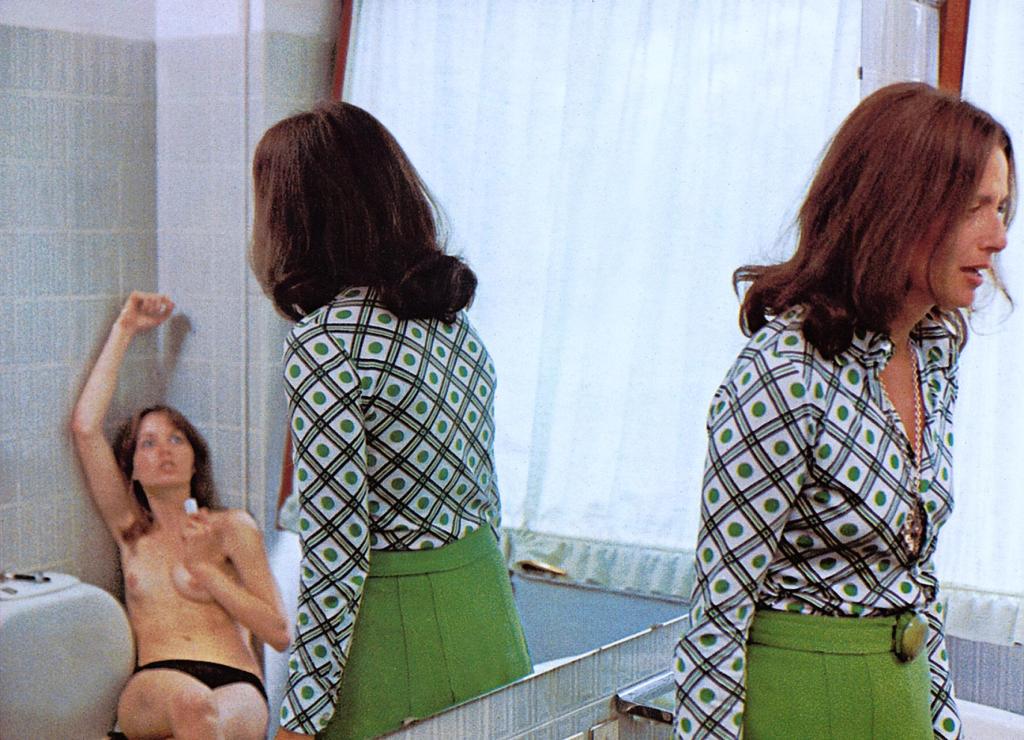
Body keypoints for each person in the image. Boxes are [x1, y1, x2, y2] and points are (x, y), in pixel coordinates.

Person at [673, 82, 1015, 739]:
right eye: (976, 207)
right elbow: (718, 614)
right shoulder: (785, 371)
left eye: (1001, 208)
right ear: (899, 205)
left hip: (900, 703)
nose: (999, 237)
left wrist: (940, 725)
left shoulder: (934, 352)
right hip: (801, 707)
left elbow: (915, 579)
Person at [250, 101, 532, 739]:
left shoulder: (325, 342)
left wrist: (299, 721)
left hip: (394, 641)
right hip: (486, 613)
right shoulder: (450, 323)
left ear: (293, 217)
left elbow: (338, 547)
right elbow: (485, 495)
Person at [72, 291, 291, 740]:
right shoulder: (131, 531)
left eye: (176, 439)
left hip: (235, 682)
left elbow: (278, 632)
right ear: (132, 468)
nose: (165, 451)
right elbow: (86, 428)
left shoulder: (231, 527)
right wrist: (125, 329)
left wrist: (206, 570)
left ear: (195, 459)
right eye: (148, 443)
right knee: (192, 706)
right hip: (158, 680)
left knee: (202, 716)